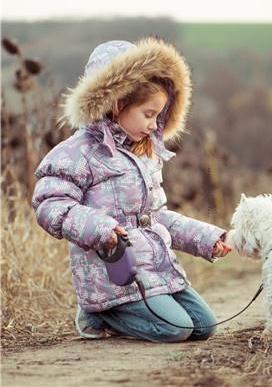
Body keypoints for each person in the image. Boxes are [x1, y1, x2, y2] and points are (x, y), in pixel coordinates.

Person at [31, 37, 232, 342]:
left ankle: (137, 310)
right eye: (148, 114)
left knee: (204, 326)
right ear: (116, 103)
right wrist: (101, 228)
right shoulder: (77, 152)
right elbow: (50, 205)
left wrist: (208, 238)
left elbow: (156, 217)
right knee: (177, 329)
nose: (154, 125)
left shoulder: (143, 155)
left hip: (155, 270)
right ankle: (97, 314)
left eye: (159, 116)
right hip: (113, 277)